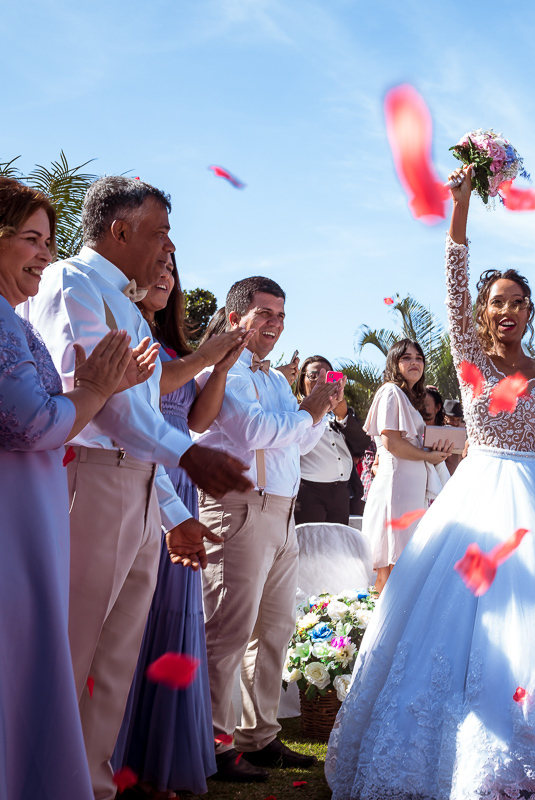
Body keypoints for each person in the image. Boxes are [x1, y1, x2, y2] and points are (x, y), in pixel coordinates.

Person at [326, 165, 535, 800]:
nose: (507, 310)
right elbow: (454, 283)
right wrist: (460, 210)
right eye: (497, 302)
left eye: (517, 302)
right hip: (477, 498)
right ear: (483, 312)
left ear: (530, 312)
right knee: (455, 627)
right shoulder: (469, 359)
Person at [21, 176, 253, 798]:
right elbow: (102, 404)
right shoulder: (71, 283)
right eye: (160, 233)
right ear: (119, 230)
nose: (168, 248)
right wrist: (187, 455)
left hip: (139, 487)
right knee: (70, 660)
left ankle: (92, 787)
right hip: (92, 482)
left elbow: (143, 414)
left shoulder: (128, 307)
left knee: (113, 668)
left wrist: (173, 511)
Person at [0, 178, 153, 799]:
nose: (45, 253)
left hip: (44, 503)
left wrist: (99, 387)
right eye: (32, 239)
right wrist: (95, 388)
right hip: (29, 508)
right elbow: (34, 421)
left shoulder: (16, 319)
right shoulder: (57, 292)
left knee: (81, 662)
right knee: (45, 658)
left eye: (48, 240)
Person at [193, 277, 341, 783]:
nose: (276, 324)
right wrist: (308, 412)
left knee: (274, 630)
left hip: (282, 511)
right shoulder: (223, 371)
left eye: (281, 315)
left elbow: (297, 444)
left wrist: (319, 409)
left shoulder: (276, 379)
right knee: (228, 631)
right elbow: (254, 431)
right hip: (237, 509)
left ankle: (259, 736)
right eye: (265, 314)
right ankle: (214, 743)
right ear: (235, 317)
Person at [114, 253, 249, 797]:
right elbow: (145, 393)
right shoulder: (129, 335)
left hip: (181, 480)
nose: (166, 275)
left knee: (171, 617)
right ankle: (115, 761)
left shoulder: (175, 349)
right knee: (130, 620)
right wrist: (206, 355)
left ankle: (155, 763)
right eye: (159, 263)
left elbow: (197, 420)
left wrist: (219, 367)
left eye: (173, 268)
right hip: (140, 470)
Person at [360, 338, 451, 592]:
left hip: (409, 489)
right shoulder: (391, 391)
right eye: (407, 358)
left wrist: (435, 452)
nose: (414, 362)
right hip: (396, 488)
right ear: (394, 363)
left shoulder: (408, 398)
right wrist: (428, 457)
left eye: (419, 358)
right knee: (393, 564)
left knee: (403, 563)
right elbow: (392, 443)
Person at [294, 355, 371, 525]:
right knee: (310, 540)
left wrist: (343, 415)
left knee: (336, 540)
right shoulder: (295, 412)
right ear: (302, 381)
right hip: (309, 492)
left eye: (328, 376)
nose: (320, 380)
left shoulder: (341, 412)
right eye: (313, 376)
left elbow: (362, 443)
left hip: (342, 492)